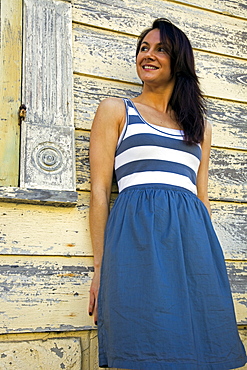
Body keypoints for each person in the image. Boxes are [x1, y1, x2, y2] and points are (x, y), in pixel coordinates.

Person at [88, 18, 247, 370]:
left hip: (194, 245)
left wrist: (210, 261)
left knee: (201, 339)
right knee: (139, 338)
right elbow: (99, 191)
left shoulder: (199, 127)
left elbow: (200, 197)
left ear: (179, 60)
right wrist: (100, 268)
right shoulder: (116, 110)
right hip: (136, 243)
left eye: (160, 49)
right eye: (143, 48)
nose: (149, 54)